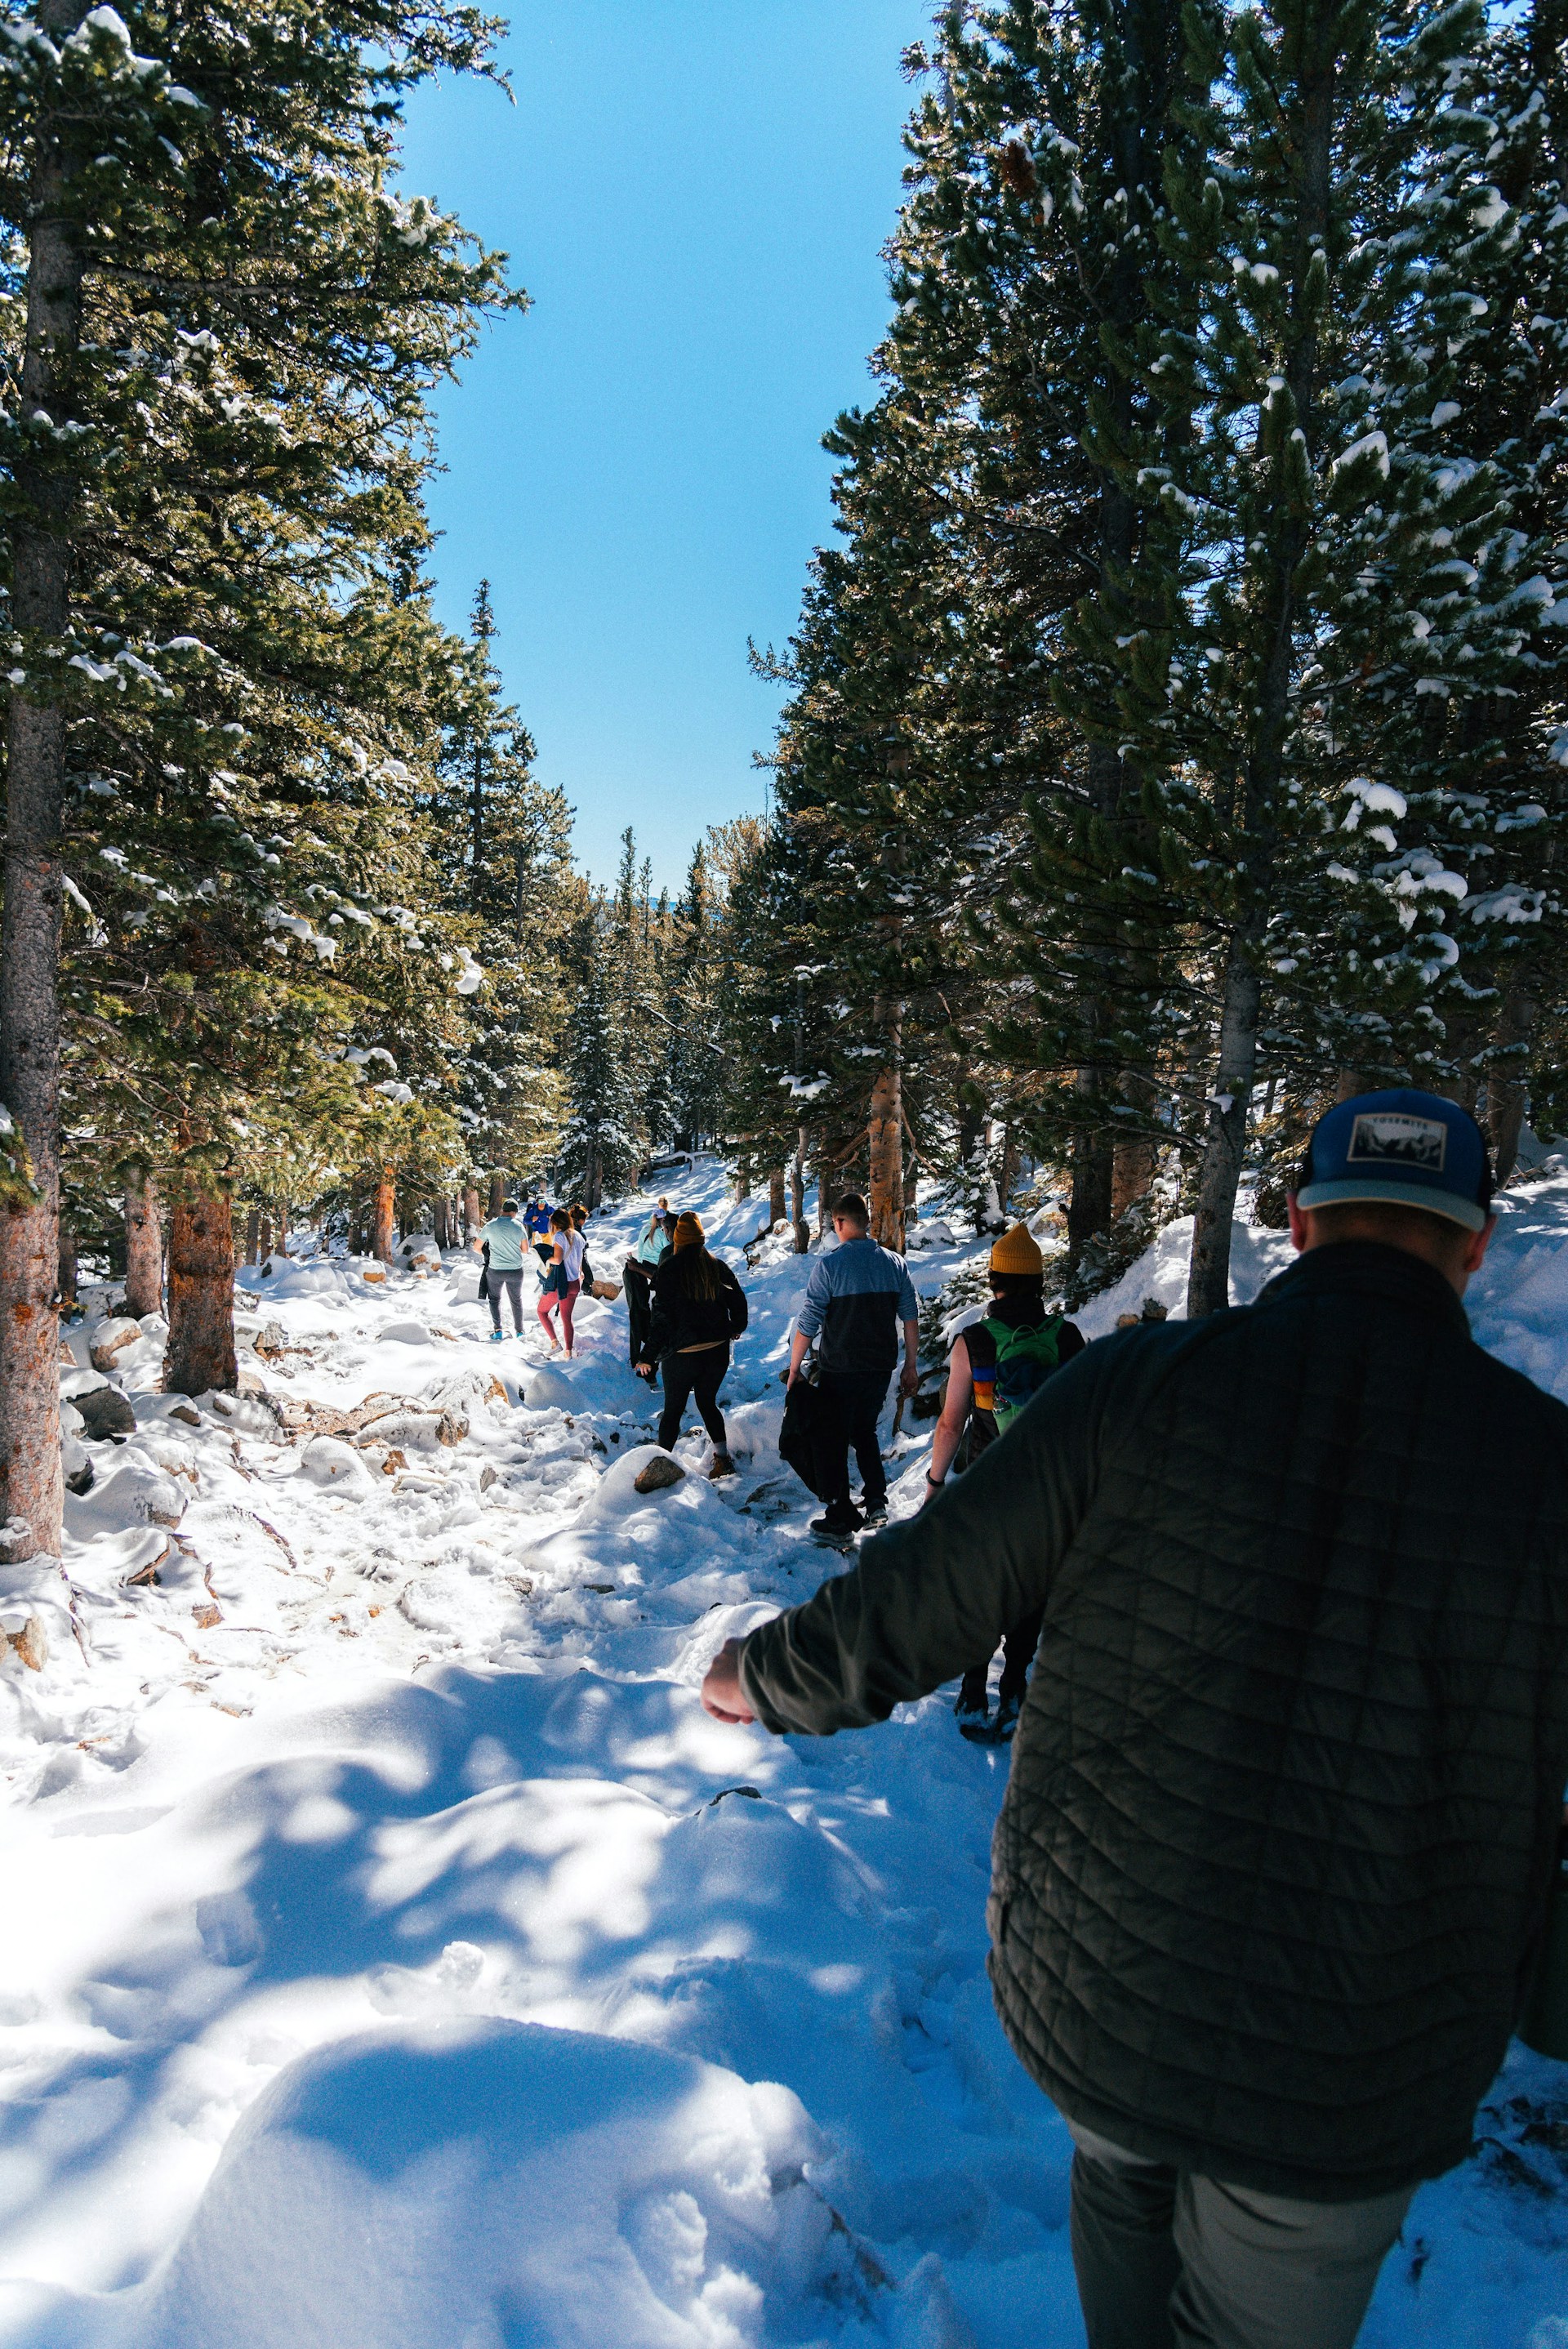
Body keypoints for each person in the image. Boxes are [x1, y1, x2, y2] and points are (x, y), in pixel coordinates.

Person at [702, 1089, 1568, 2349]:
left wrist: (757, 1675)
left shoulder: (1139, 1385)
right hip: (1355, 2060)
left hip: (1108, 1986)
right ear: (1477, 1244)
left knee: (1117, 2187)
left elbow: (926, 1591)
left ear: (1296, 1221)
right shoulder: (1545, 1471)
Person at [924, 1222, 1085, 1744]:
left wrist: (934, 1483)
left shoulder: (972, 1341)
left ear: (993, 1282)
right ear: (1039, 1282)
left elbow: (950, 1424)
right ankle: (1015, 1685)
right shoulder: (1066, 1336)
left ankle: (974, 1687)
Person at [787, 1192, 918, 1543]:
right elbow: (910, 1317)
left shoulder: (829, 1266)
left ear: (841, 1223)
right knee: (864, 1432)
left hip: (840, 1369)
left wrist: (794, 1367)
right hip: (880, 1367)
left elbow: (808, 1322)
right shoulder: (895, 1263)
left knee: (833, 1439)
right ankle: (876, 1501)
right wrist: (911, 1366)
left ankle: (839, 1520)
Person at [636, 1211, 748, 1477]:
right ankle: (722, 1459)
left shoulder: (669, 1269)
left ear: (677, 1238)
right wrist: (736, 1327)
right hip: (716, 1353)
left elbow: (660, 1320)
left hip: (682, 1356)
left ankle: (659, 1467)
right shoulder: (716, 1265)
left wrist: (647, 1356)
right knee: (707, 1402)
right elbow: (739, 1299)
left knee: (673, 1410)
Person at [624, 1199, 672, 1368]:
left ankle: (639, 1354)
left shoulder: (644, 1229)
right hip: (657, 1272)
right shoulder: (662, 1233)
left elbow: (641, 1252)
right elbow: (668, 1252)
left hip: (642, 1272)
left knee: (641, 1314)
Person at [476, 1196, 527, 1343]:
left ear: (503, 1211)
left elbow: (476, 1247)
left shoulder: (490, 1225)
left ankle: (498, 1331)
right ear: (514, 1212)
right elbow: (525, 1250)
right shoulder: (518, 1226)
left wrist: (490, 1254)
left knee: (495, 1299)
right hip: (515, 1270)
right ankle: (519, 1331)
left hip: (495, 1270)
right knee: (516, 1300)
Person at [537, 1207, 583, 1357]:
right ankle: (568, 1352)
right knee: (566, 1318)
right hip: (575, 1282)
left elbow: (557, 1260)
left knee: (542, 1311)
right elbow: (580, 1260)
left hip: (561, 1284)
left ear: (555, 1223)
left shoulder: (560, 1236)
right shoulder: (578, 1236)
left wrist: (543, 1258)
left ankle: (555, 1343)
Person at [523, 1192, 554, 1270]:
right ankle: (535, 1269)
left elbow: (558, 1216)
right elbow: (525, 1220)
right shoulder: (533, 1210)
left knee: (549, 1251)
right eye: (540, 1201)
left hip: (547, 1233)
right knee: (536, 1252)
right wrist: (532, 1220)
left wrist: (552, 1217)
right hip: (537, 1234)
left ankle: (548, 1268)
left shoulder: (550, 1209)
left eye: (543, 1201)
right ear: (537, 1201)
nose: (541, 1204)